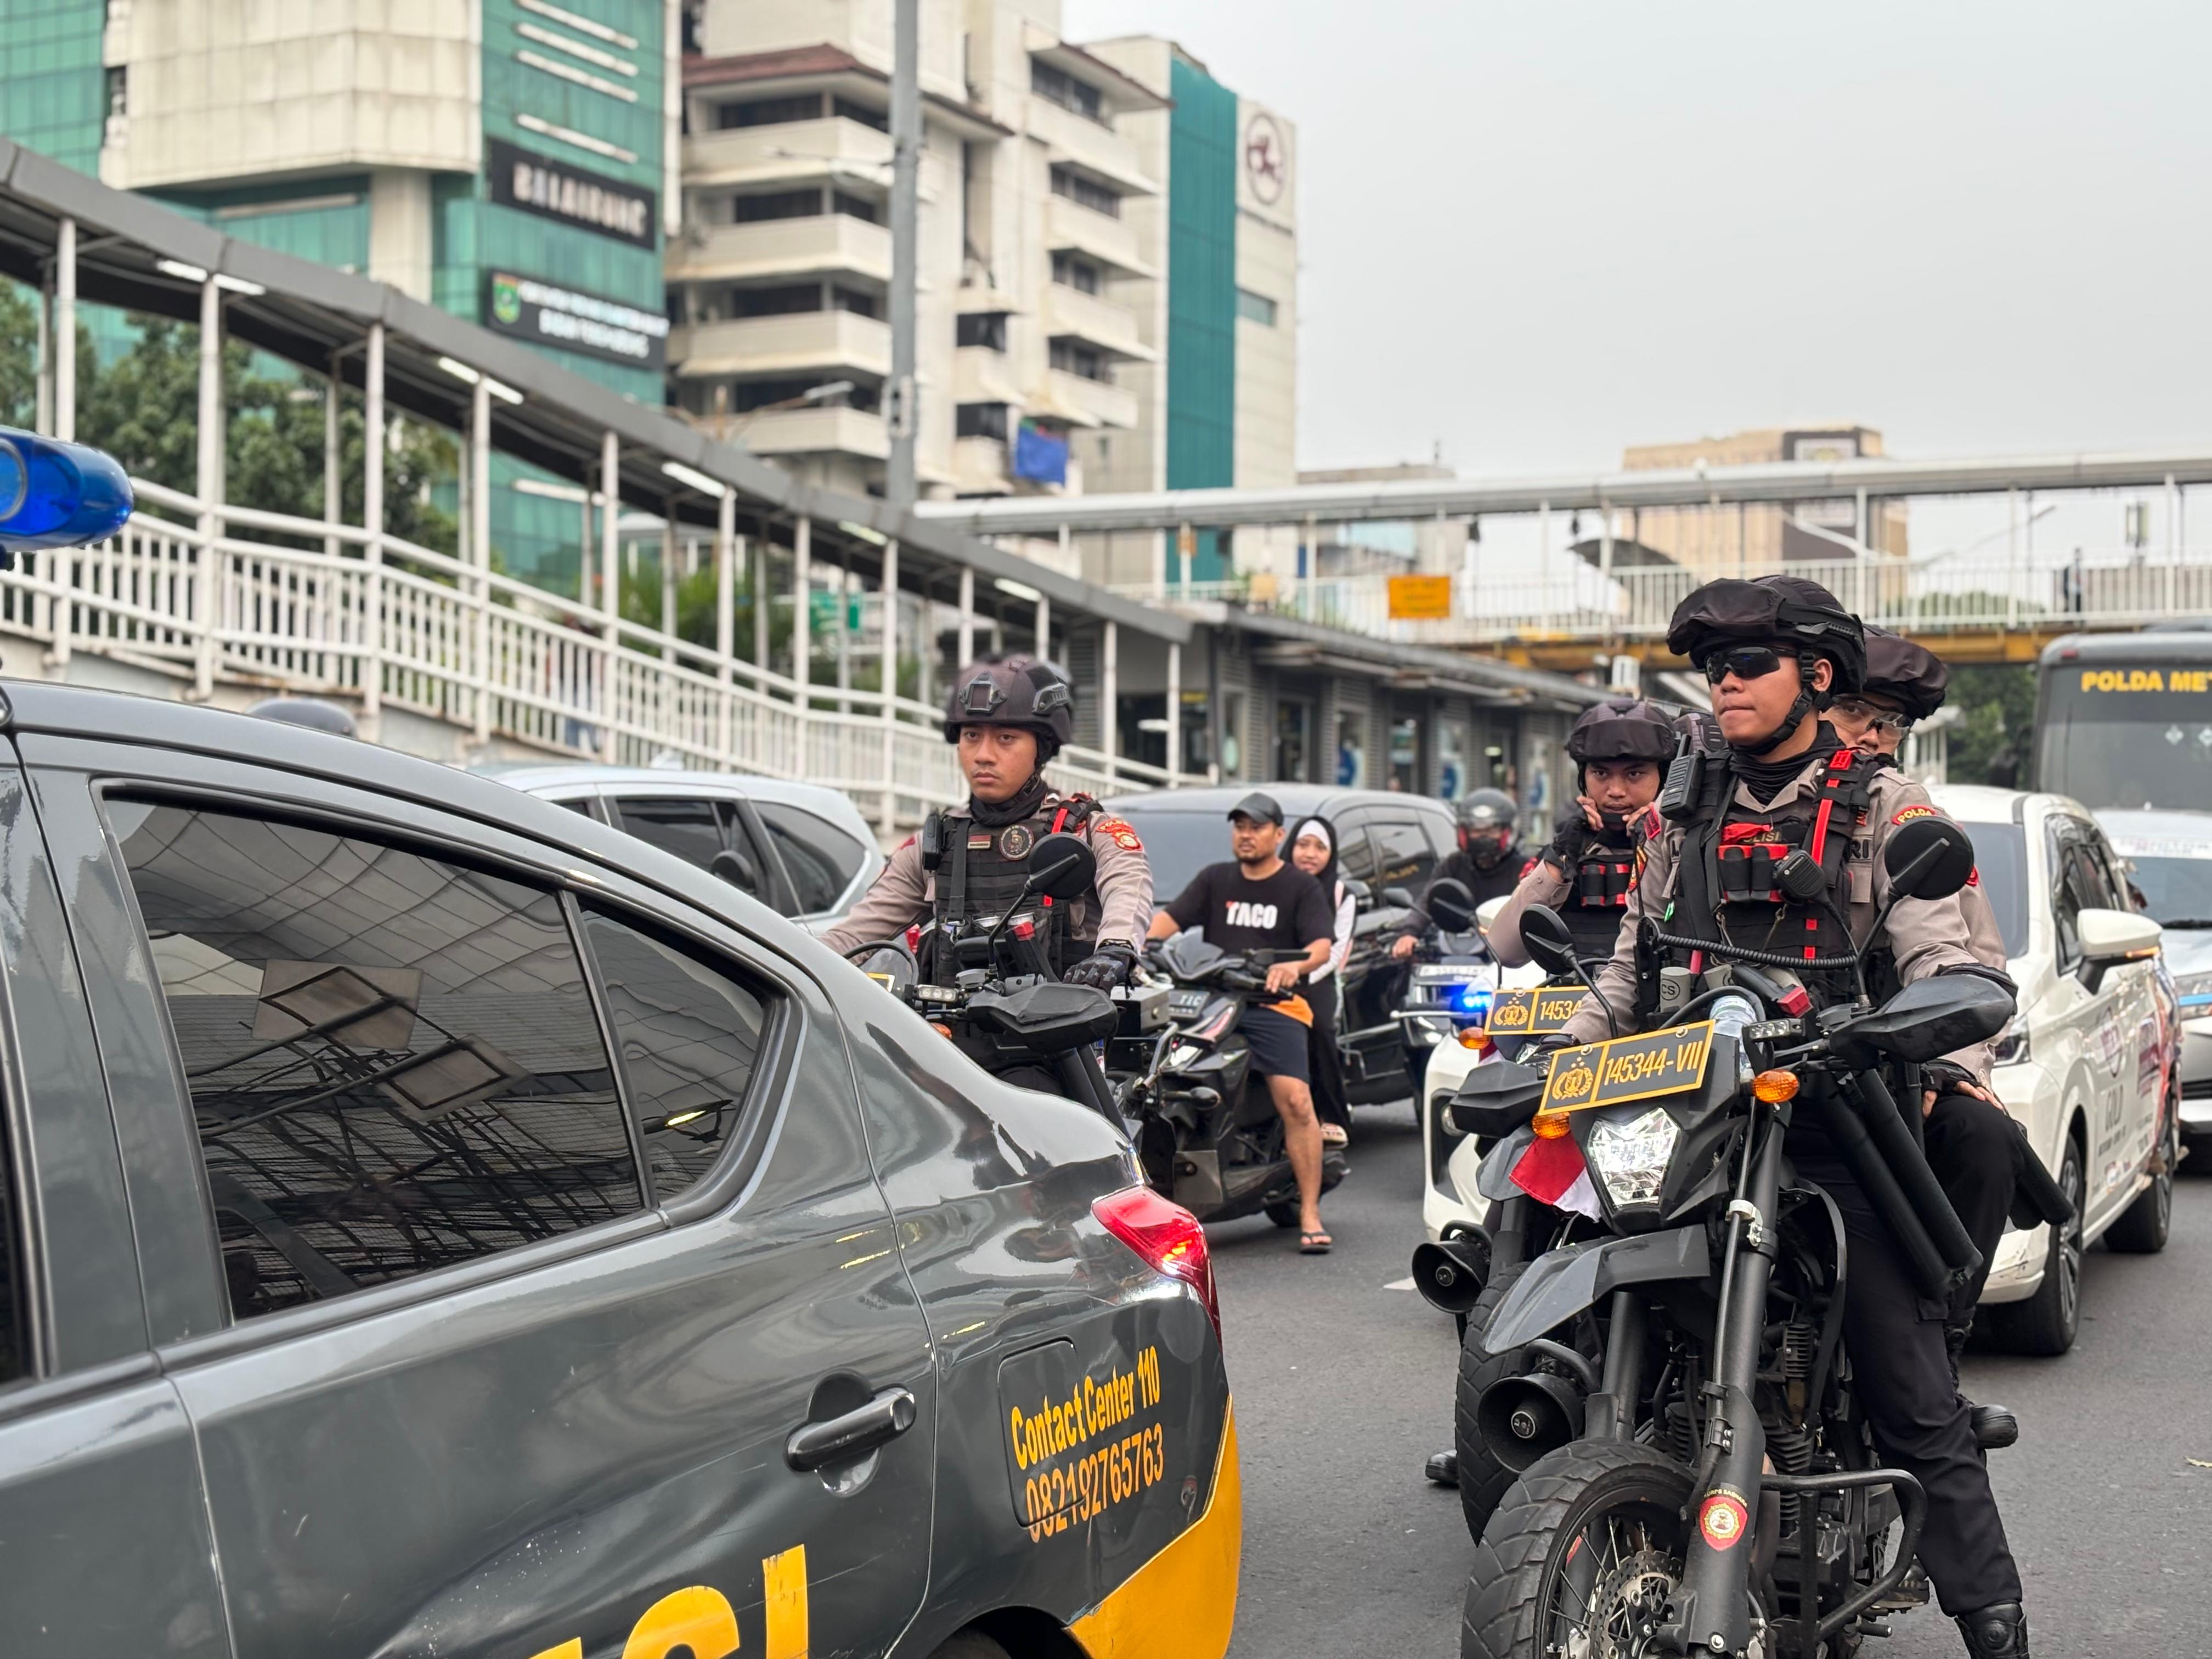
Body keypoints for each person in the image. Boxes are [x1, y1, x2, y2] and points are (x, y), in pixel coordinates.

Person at [1556, 576, 2032, 1659]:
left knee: (1914, 1391)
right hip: (1682, 1117)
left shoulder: (1883, 805)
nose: (1723, 684)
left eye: (1748, 665)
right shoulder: (1686, 801)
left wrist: (1927, 1039)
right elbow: (1633, 967)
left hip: (1834, 1122)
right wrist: (1563, 1058)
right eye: (1711, 668)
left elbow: (1948, 966)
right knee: (1549, 1268)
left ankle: (1997, 1623)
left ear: (1814, 677)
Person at [1831, 626, 2036, 1449]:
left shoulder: (1913, 817)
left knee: (1984, 1137)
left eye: (1890, 724)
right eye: (1855, 711)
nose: (1871, 736)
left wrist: (1949, 1060)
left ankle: (1935, 1360)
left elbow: (1970, 961)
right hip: (1736, 1068)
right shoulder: (1726, 799)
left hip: (1879, 1070)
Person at [821, 655, 1154, 1097]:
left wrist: (1114, 950)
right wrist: (791, 966)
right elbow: (854, 935)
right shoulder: (938, 843)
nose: (983, 754)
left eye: (1007, 738)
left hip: (1054, 1051)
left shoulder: (1082, 827)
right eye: (972, 736)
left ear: (1043, 747)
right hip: (945, 1051)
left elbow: (1128, 883)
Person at [1149, 792, 1338, 1252]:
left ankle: (1310, 1211)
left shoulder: (1299, 887)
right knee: (1154, 1078)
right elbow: (1165, 923)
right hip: (1210, 1000)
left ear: (1277, 834)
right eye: (1239, 827)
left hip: (1275, 1005)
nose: (1246, 835)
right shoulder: (1216, 879)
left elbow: (1321, 947)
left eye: (1256, 827)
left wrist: (1295, 968)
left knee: (1295, 1101)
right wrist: (1134, 948)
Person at [1490, 698, 1675, 972]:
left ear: (1664, 776)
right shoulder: (1568, 851)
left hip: (1673, 1008)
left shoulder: (1685, 846)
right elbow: (1503, 950)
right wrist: (1561, 858)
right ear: (1583, 778)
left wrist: (1655, 839)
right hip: (1574, 1004)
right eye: (1601, 773)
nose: (1615, 790)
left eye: (1634, 774)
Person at [1391, 788, 1525, 959]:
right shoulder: (1452, 865)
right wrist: (1409, 933)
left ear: (1508, 832)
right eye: (1476, 831)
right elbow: (1428, 901)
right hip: (1457, 950)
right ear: (1464, 833)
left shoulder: (1524, 868)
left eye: (1491, 830)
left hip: (1509, 954)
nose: (1482, 837)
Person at [1288, 816, 1356, 1148]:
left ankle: (1333, 1117)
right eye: (1303, 845)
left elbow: (1334, 951)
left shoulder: (1343, 895)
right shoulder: (1275, 883)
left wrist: (1299, 976)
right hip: (1267, 976)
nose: (1310, 854)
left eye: (1319, 847)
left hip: (1318, 978)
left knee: (1321, 1031)